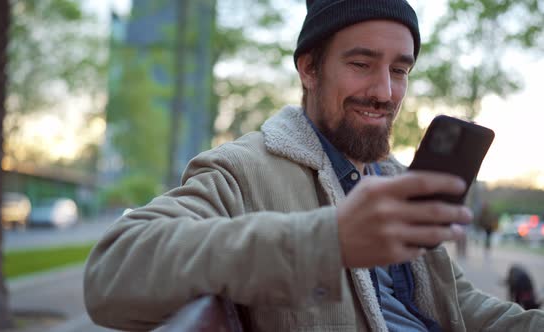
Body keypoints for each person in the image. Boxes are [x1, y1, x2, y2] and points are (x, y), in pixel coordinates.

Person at [84, 1, 544, 331]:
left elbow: (453, 303)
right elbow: (112, 273)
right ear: (308, 69)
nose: (385, 91)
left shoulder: (397, 178)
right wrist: (329, 240)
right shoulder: (242, 170)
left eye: (400, 70)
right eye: (362, 63)